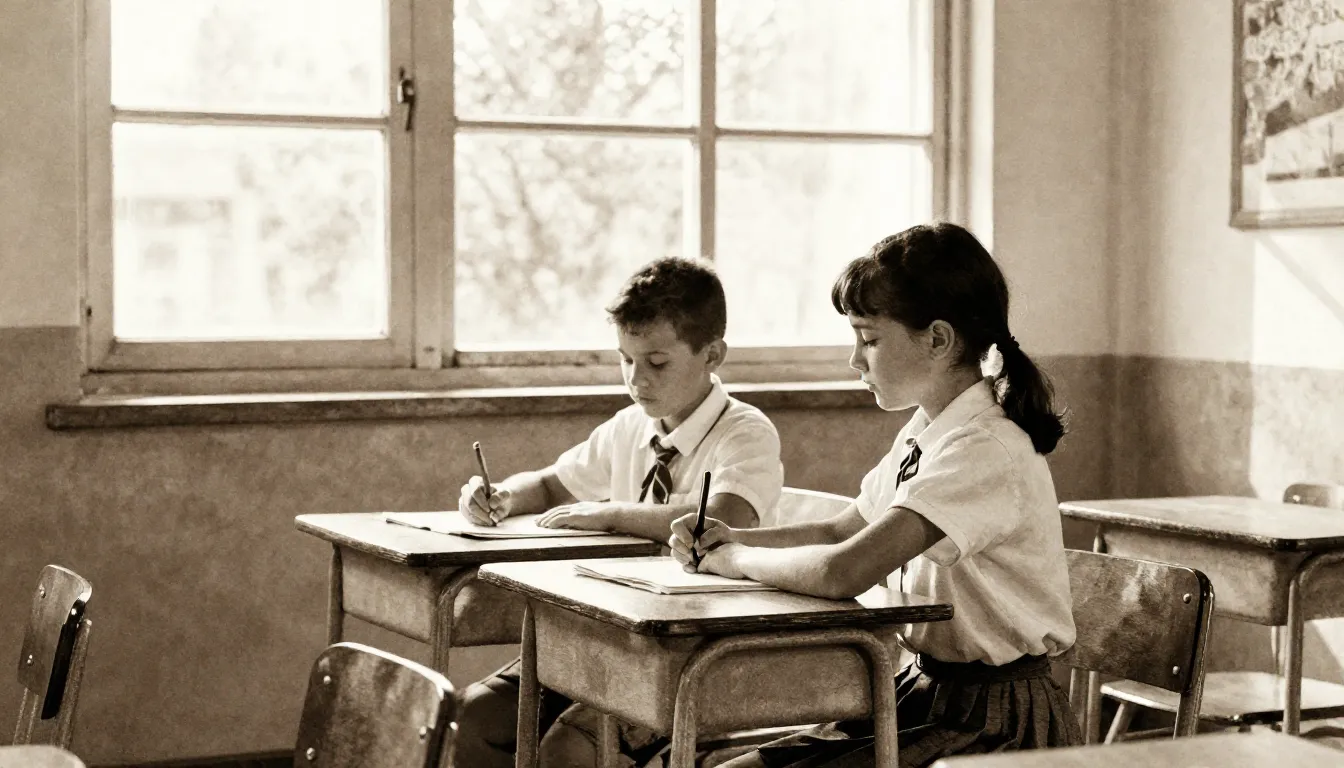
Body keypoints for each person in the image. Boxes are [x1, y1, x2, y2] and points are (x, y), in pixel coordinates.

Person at [670, 222, 1082, 768]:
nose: (854, 360)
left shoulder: (984, 448)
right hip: (926, 692)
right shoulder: (927, 430)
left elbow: (846, 569)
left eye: (869, 339)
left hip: (996, 721)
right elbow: (843, 529)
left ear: (938, 339)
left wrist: (735, 560)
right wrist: (731, 536)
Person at [455, 256, 785, 768]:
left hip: (690, 649)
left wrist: (612, 514)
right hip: (609, 632)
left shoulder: (745, 432)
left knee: (567, 750)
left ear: (712, 354)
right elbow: (548, 483)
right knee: (474, 716)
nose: (637, 378)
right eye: (625, 360)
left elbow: (720, 523)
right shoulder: (630, 426)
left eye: (656, 362)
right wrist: (500, 496)